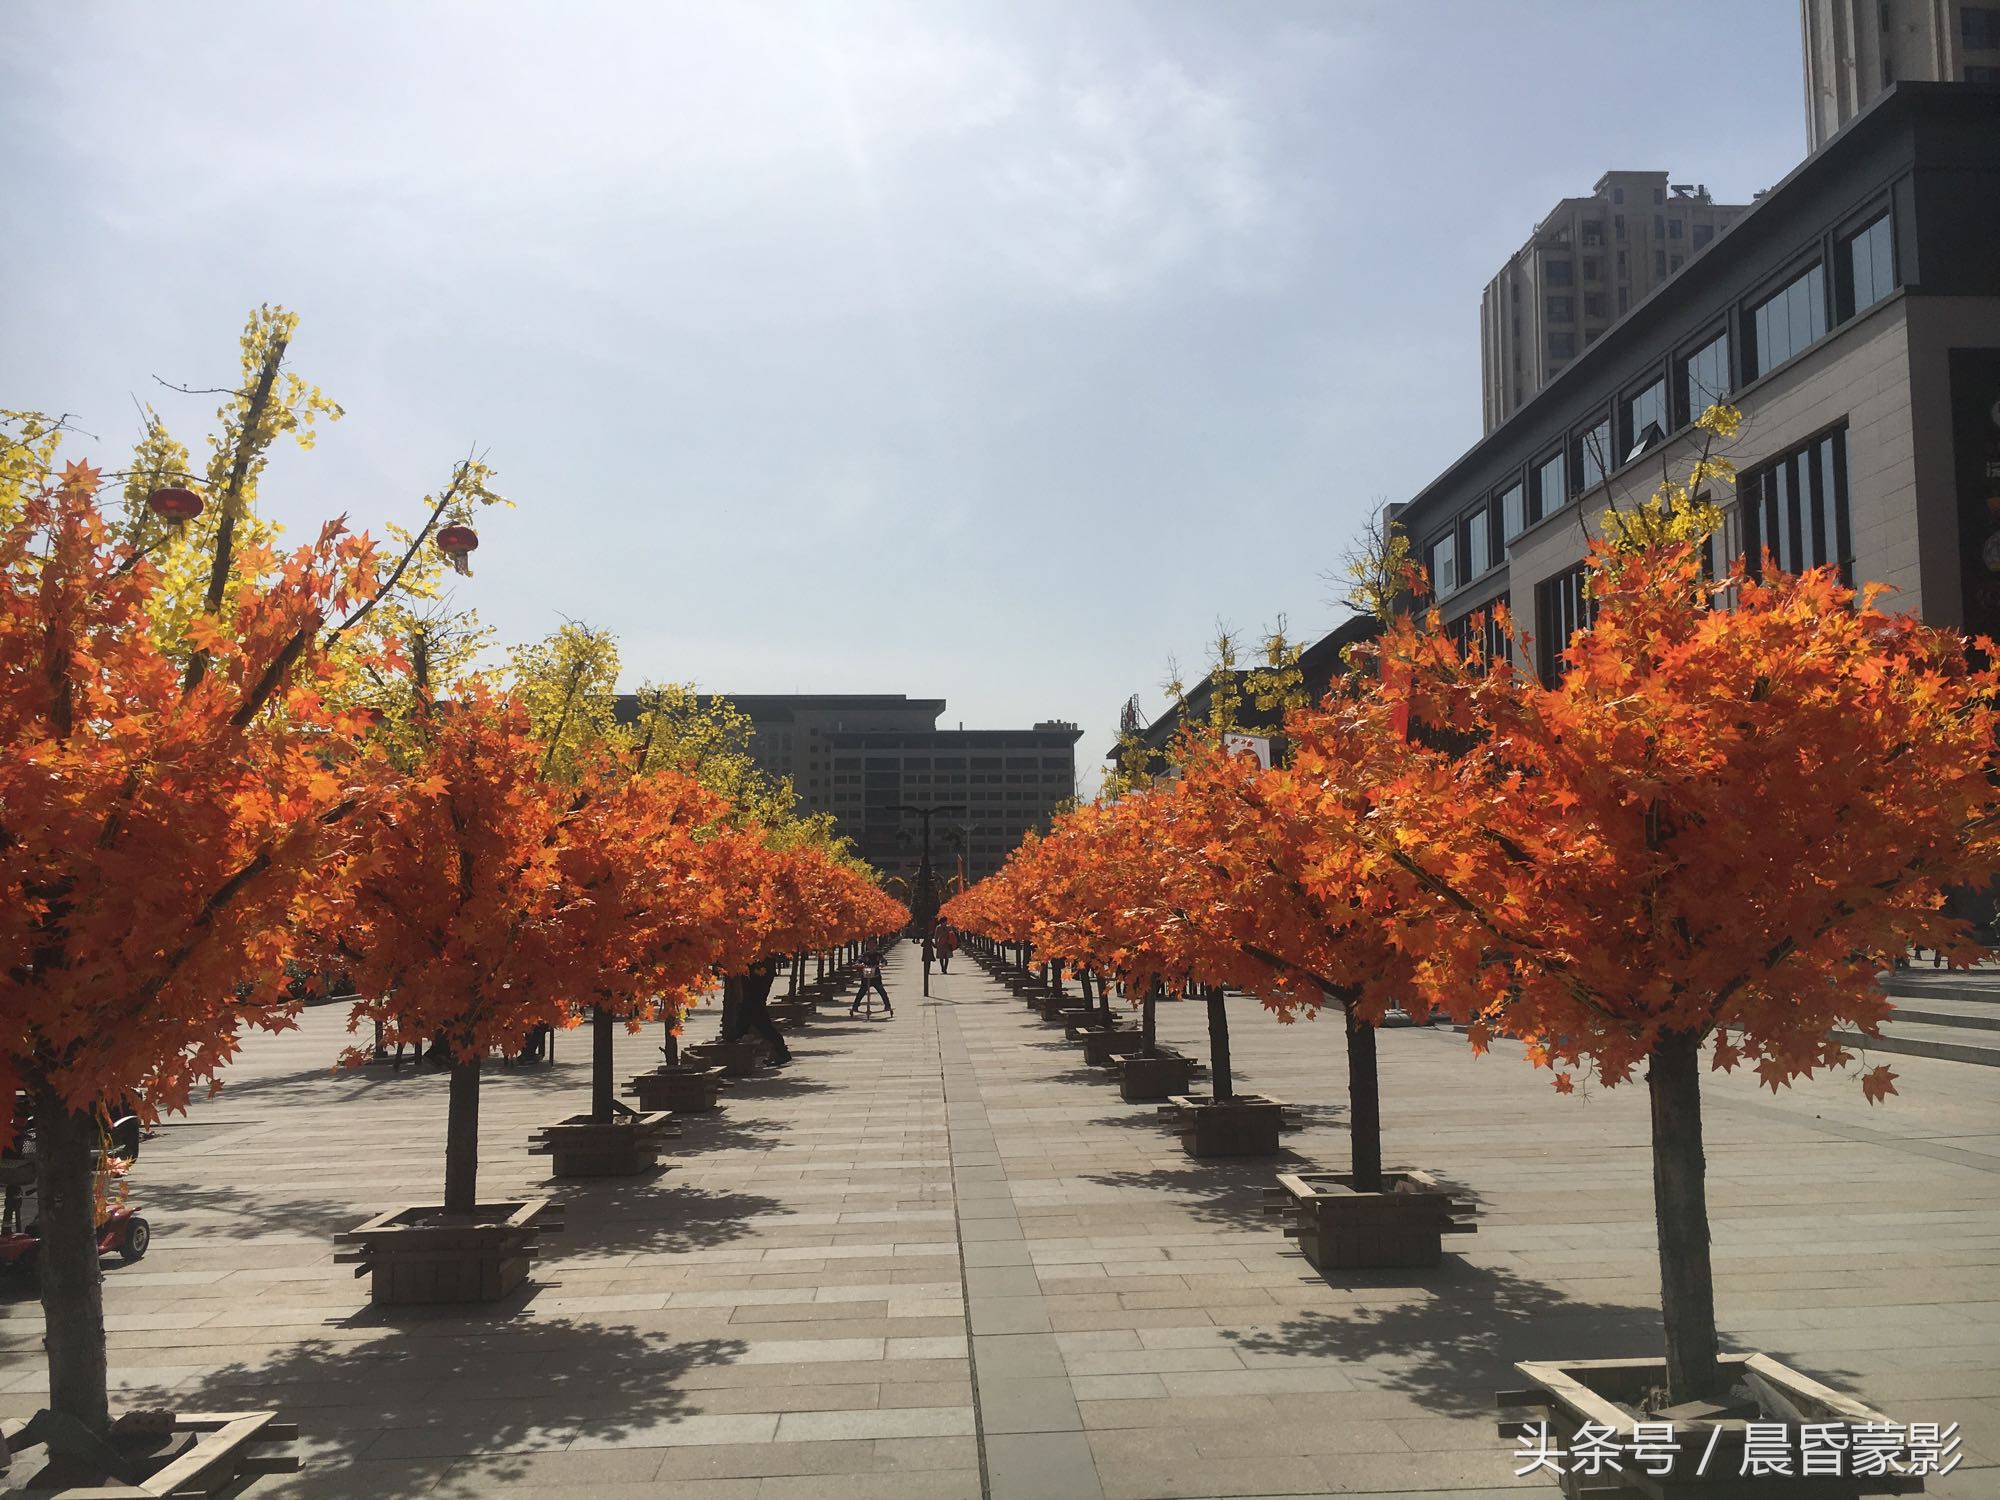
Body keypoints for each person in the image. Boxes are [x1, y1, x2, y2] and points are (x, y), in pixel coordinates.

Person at [724, 955, 793, 1064]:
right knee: (748, 1024)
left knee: (759, 1024)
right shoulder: (763, 960)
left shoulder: (762, 960)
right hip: (753, 996)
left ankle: (782, 1052)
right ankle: (781, 1052)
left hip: (754, 995)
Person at [851, 947, 893, 1017]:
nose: (872, 946)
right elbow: (859, 961)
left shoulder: (878, 955)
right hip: (866, 976)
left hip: (876, 977)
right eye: (870, 944)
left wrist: (883, 964)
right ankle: (855, 1006)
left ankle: (887, 1005)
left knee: (882, 991)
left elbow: (883, 960)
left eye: (873, 944)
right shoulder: (865, 955)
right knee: (861, 992)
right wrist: (858, 964)